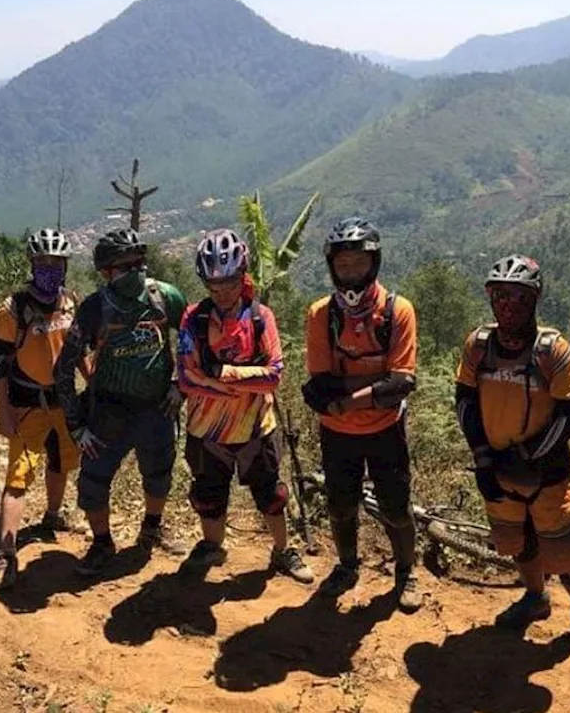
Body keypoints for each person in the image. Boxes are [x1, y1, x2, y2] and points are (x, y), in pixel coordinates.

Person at [454, 255, 570, 650]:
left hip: (547, 470)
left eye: (519, 298)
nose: (508, 305)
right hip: (496, 467)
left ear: (534, 301)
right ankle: (535, 597)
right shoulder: (478, 346)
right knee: (516, 542)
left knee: (562, 546)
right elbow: (465, 402)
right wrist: (485, 459)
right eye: (500, 296)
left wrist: (526, 455)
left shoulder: (552, 350)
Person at [174, 229, 313, 583]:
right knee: (207, 494)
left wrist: (221, 375)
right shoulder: (194, 318)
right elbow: (185, 378)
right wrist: (238, 382)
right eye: (214, 286)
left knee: (271, 494)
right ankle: (211, 546)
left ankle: (282, 551)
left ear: (243, 275)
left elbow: (275, 375)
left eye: (230, 284)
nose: (223, 293)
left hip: (255, 429)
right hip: (206, 431)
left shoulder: (260, 317)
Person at [301, 216, 421, 613]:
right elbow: (320, 386)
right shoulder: (321, 314)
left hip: (385, 430)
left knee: (396, 506)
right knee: (340, 504)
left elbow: (400, 385)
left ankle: (406, 573)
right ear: (332, 268)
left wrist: (347, 397)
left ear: (374, 264)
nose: (351, 274)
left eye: (359, 264)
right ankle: (348, 565)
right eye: (343, 266)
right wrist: (374, 388)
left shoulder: (397, 311)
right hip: (337, 434)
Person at [54, 228, 188, 577]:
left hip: (157, 408)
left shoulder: (165, 297)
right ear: (106, 272)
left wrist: (181, 386)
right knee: (93, 482)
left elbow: (194, 340)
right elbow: (64, 367)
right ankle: (101, 543)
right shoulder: (95, 308)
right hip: (109, 412)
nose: (135, 271)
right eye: (124, 266)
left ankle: (151, 528)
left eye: (139, 262)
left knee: (158, 473)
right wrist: (77, 426)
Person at [0, 228, 84, 590]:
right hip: (27, 404)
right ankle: (6, 552)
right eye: (43, 263)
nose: (50, 270)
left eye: (56, 263)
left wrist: (95, 387)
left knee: (60, 462)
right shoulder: (12, 310)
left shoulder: (70, 302)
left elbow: (77, 354)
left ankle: (52, 517)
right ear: (31, 264)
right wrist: (4, 411)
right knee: (18, 478)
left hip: (64, 401)